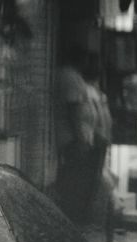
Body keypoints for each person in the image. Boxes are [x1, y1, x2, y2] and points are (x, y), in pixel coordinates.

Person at [54, 48, 112, 226]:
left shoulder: (77, 79)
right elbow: (74, 112)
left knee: (83, 183)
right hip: (75, 142)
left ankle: (79, 219)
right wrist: (81, 140)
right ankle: (75, 220)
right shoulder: (70, 77)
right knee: (78, 184)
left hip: (83, 140)